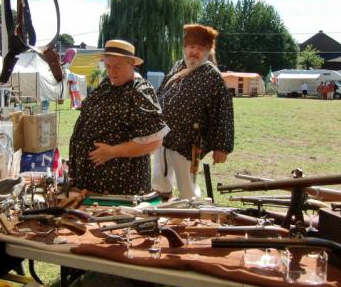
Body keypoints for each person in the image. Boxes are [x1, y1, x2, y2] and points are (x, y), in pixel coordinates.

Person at [69, 39, 169, 195]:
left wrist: (112, 151)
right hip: (91, 186)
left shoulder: (139, 91)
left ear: (132, 64)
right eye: (108, 66)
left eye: (117, 67)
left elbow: (155, 141)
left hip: (121, 188)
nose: (111, 72)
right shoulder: (107, 84)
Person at [152, 24, 234, 199]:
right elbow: (160, 96)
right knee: (159, 182)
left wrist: (222, 147)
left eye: (200, 48)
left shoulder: (213, 76)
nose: (194, 52)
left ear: (206, 52)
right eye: (191, 47)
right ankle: (162, 212)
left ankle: (190, 218)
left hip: (189, 142)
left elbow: (223, 113)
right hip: (164, 138)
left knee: (187, 188)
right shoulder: (177, 67)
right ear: (185, 48)